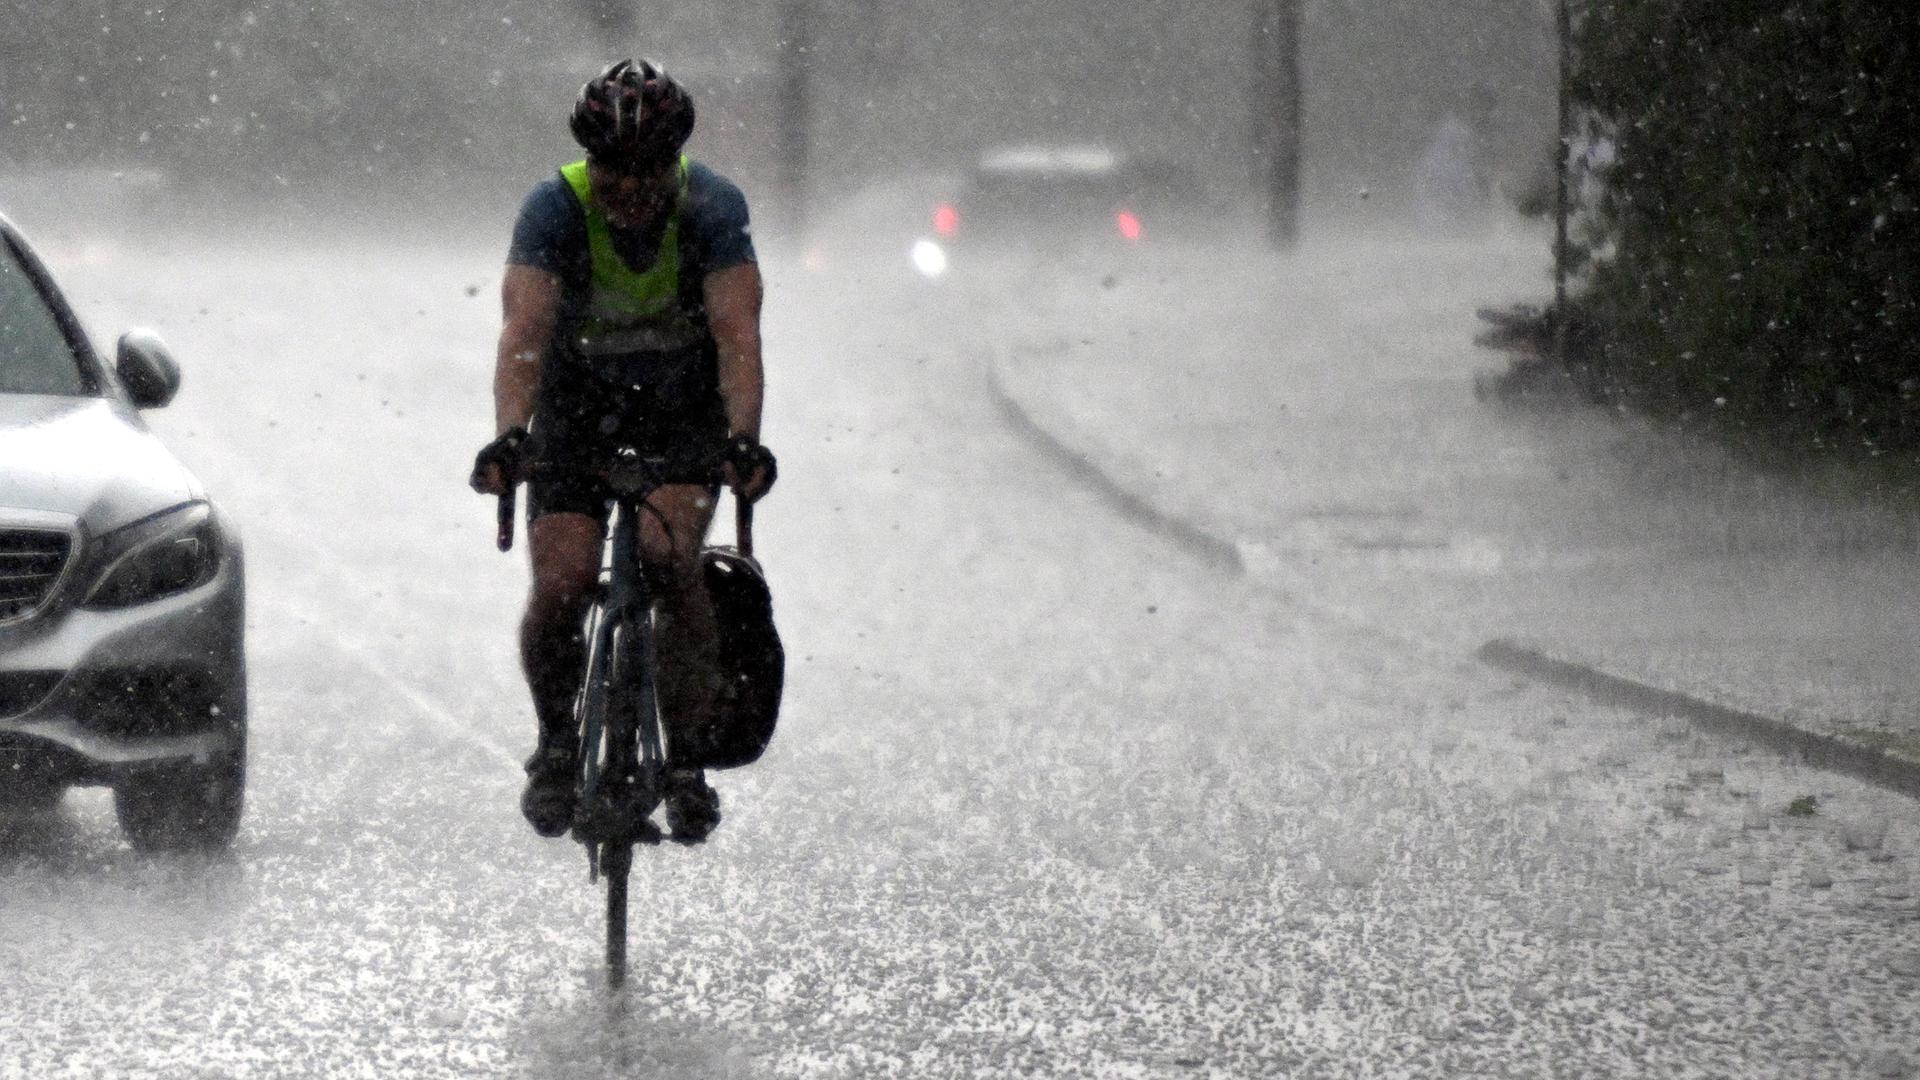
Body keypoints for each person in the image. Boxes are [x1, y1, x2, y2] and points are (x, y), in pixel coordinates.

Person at [469, 58, 775, 842]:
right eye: (612, 170)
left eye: (649, 171)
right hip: (576, 412)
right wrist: (511, 434)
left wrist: (743, 440)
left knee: (668, 558)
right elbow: (523, 336)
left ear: (674, 164)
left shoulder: (711, 207)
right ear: (590, 161)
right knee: (562, 583)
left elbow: (738, 338)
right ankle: (556, 744)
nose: (630, 190)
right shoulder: (554, 209)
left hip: (682, 413)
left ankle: (684, 760)